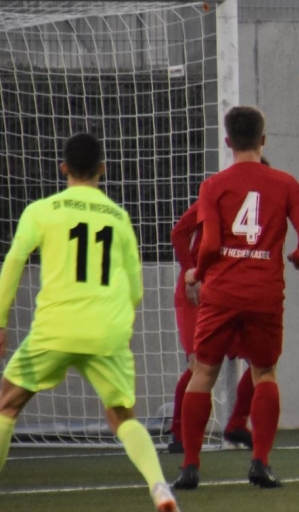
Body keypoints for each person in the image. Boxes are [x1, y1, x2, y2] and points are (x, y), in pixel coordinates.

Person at [0, 133, 180, 512]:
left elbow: (14, 261)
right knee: (122, 417)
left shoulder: (42, 210)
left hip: (56, 328)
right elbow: (135, 290)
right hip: (107, 331)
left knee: (7, 404)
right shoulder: (119, 217)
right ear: (103, 168)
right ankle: (160, 487)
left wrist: (1, 320)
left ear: (63, 168)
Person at [173, 106, 299, 490]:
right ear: (263, 140)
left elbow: (210, 245)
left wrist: (198, 273)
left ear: (227, 141)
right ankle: (260, 463)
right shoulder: (286, 183)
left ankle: (189, 466)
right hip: (264, 294)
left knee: (203, 373)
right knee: (265, 373)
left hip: (221, 293)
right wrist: (298, 257)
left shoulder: (213, 186)